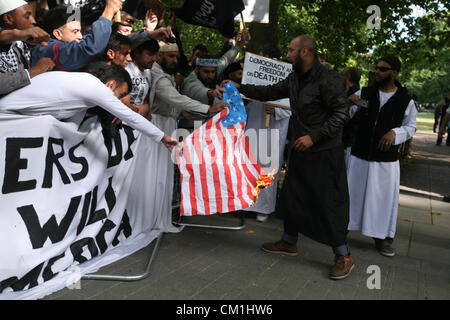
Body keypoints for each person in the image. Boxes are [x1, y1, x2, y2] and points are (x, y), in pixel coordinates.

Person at [228, 35, 353, 280]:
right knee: (293, 196)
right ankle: (289, 241)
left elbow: (342, 114)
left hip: (324, 151)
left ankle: (343, 254)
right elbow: (271, 91)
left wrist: (314, 137)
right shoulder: (296, 77)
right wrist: (239, 87)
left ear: (305, 52)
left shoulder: (330, 79)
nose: (287, 54)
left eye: (291, 50)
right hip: (300, 148)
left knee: (328, 202)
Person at [0, 61, 177, 150]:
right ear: (110, 85)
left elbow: (71, 129)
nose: (121, 101)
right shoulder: (93, 86)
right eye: (121, 95)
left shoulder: (83, 95)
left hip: (13, 120)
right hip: (5, 116)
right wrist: (162, 137)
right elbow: (128, 115)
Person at [347, 55, 417, 257]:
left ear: (394, 72)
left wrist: (395, 133)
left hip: (385, 161)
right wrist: (350, 101)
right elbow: (351, 113)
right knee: (353, 194)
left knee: (382, 199)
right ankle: (343, 228)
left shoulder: (405, 100)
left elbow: (411, 127)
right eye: (377, 68)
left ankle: (382, 237)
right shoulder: (366, 93)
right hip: (360, 154)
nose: (377, 71)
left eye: (383, 69)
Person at [242, 43, 291, 223]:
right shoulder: (254, 71)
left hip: (273, 131)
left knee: (266, 166)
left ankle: (263, 207)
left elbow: (292, 103)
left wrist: (278, 108)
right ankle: (245, 204)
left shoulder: (287, 76)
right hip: (254, 124)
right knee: (248, 163)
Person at [30, 0, 122, 71]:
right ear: (58, 34)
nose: (81, 36)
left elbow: (89, 38)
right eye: (75, 31)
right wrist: (109, 11)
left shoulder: (67, 42)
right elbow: (91, 48)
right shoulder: (47, 49)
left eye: (80, 31)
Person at [0, 0, 54, 96]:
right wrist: (34, 71)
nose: (34, 21)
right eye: (27, 16)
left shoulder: (20, 44)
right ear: (8, 19)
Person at [125, 39, 159, 119]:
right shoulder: (126, 70)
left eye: (155, 55)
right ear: (136, 53)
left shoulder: (147, 72)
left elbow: (146, 97)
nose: (154, 59)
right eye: (150, 54)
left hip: (137, 123)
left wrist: (146, 107)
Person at [341, 67, 361, 168]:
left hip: (345, 141)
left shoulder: (357, 95)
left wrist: (344, 145)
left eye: (342, 74)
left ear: (347, 77)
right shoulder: (343, 90)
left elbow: (353, 122)